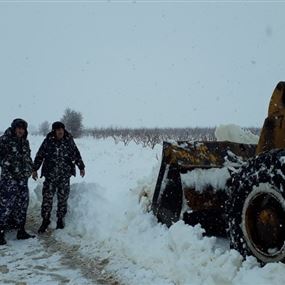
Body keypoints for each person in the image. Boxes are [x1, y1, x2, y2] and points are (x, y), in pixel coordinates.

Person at [32, 121, 85, 233]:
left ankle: (60, 219)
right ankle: (45, 220)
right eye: (58, 129)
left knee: (63, 199)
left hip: (64, 176)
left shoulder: (68, 140)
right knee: (47, 199)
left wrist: (81, 167)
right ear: (54, 131)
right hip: (50, 176)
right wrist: (35, 169)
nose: (60, 131)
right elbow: (40, 155)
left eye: (62, 129)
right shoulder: (48, 141)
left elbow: (75, 153)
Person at [0, 118, 35, 245]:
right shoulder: (4, 140)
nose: (20, 130)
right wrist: (6, 165)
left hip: (22, 180)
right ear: (14, 128)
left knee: (22, 205)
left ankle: (21, 231)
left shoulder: (25, 142)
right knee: (6, 206)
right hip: (9, 180)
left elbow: (28, 157)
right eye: (18, 128)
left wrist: (31, 168)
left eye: (23, 128)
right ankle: (0, 232)